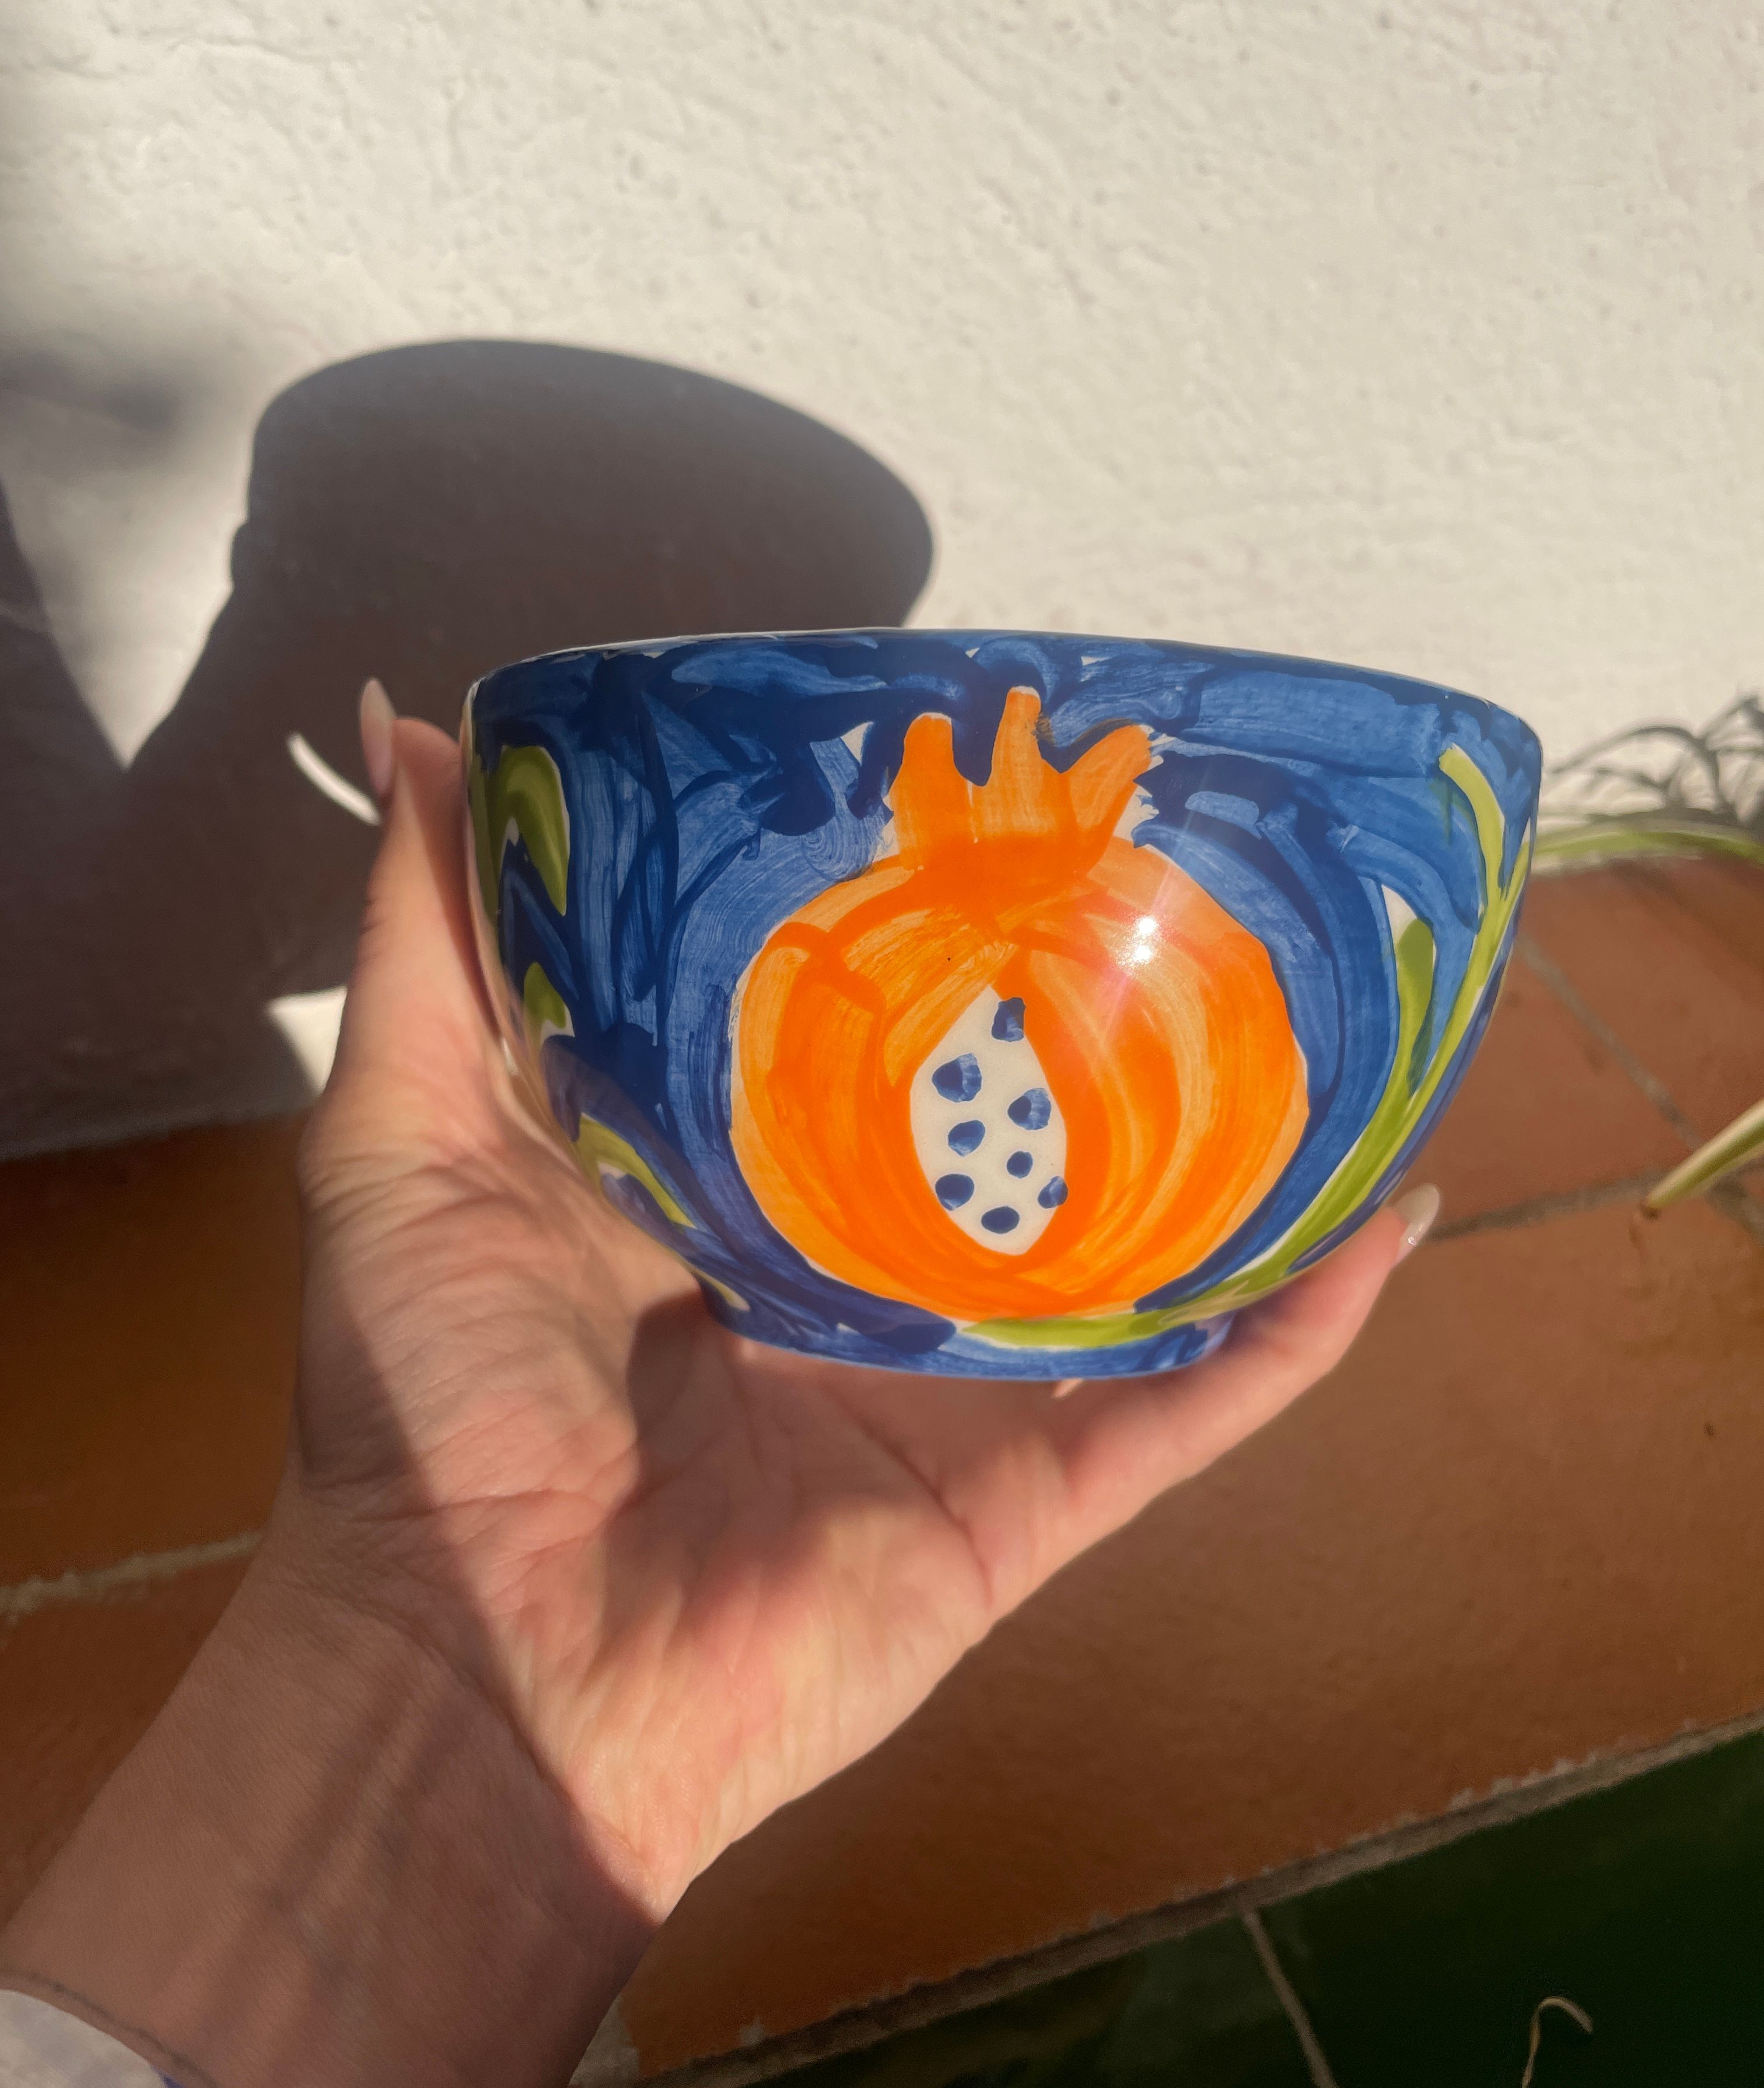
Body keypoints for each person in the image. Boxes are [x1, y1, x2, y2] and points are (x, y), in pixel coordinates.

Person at [0, 686, 1434, 2088]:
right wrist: (454, 1638)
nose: (996, 1114)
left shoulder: (930, 999)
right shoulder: (882, 1000)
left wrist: (459, 1669)